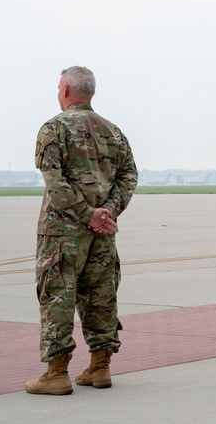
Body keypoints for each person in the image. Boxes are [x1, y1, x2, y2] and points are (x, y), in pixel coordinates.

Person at [25, 66, 137, 395]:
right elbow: (129, 176)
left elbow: (54, 180)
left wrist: (86, 214)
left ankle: (57, 373)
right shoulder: (114, 131)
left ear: (66, 91)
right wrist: (106, 213)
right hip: (103, 231)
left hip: (62, 231)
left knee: (57, 296)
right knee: (101, 297)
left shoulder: (53, 128)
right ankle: (100, 368)